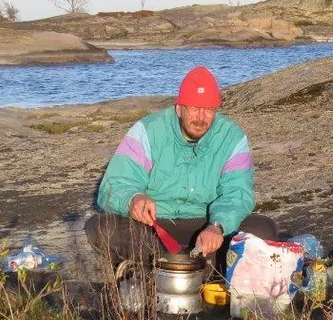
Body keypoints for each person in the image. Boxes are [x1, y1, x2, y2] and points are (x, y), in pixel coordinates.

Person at [85, 66, 277, 270]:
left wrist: (217, 227)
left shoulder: (233, 138)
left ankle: (163, 265)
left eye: (209, 110)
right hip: (155, 226)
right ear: (179, 108)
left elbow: (238, 194)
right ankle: (199, 266)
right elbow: (113, 185)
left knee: (263, 229)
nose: (201, 118)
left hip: (208, 224)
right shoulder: (148, 130)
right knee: (100, 227)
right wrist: (133, 199)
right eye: (194, 108)